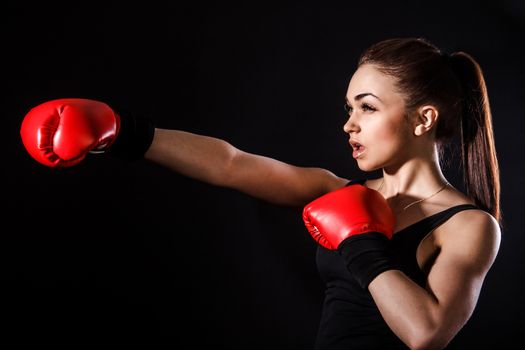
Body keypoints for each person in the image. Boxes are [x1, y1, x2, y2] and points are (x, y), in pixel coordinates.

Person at [20, 37, 502, 349]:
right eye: (349, 107)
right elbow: (233, 164)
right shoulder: (337, 190)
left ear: (424, 119)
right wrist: (125, 133)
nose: (349, 124)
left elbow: (427, 333)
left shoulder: (468, 224)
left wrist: (360, 243)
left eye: (368, 108)